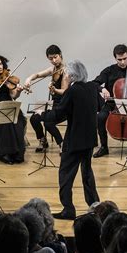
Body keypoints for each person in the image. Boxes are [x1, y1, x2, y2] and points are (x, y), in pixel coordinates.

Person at [42, 60, 100, 220]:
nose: (65, 76)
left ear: (72, 75)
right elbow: (98, 107)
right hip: (89, 139)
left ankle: (68, 209)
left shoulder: (72, 91)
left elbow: (58, 115)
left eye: (66, 73)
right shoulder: (92, 88)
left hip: (74, 140)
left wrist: (42, 114)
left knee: (65, 175)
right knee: (87, 173)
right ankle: (95, 205)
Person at [24, 45, 68, 152]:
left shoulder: (66, 71)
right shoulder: (53, 69)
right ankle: (43, 140)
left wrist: (54, 89)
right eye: (50, 59)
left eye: (55, 57)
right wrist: (29, 79)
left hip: (64, 105)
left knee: (48, 122)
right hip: (53, 105)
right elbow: (38, 74)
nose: (53, 60)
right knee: (34, 118)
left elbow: (64, 91)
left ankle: (62, 144)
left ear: (60, 55)